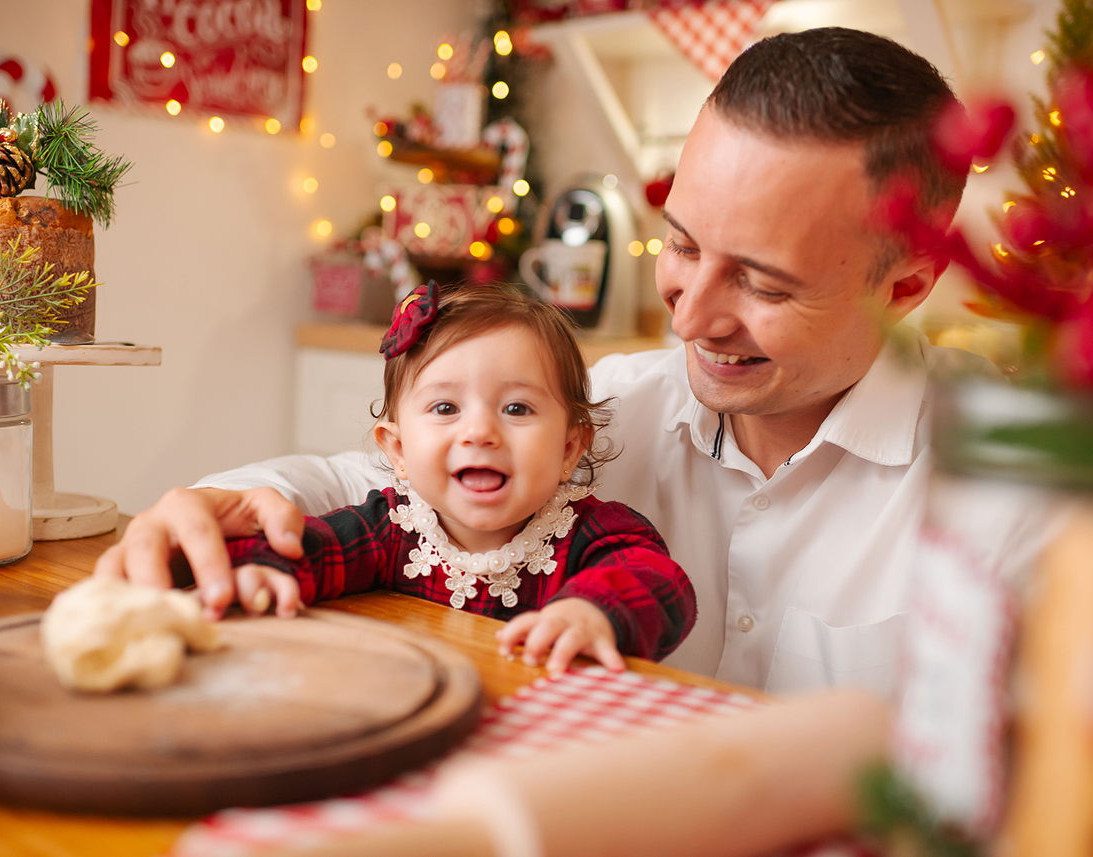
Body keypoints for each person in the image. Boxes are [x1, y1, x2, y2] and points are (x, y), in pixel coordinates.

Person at [95, 27, 1048, 697]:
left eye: (762, 283)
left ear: (908, 284)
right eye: (680, 246)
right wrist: (218, 502)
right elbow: (364, 481)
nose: (695, 315)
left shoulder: (1020, 496)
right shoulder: (609, 409)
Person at [147, 282, 697, 674]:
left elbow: (660, 582)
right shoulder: (394, 528)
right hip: (417, 719)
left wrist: (592, 612)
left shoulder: (594, 534)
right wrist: (264, 572)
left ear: (569, 448)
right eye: (444, 409)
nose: (479, 432)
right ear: (399, 450)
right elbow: (312, 548)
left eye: (517, 409)